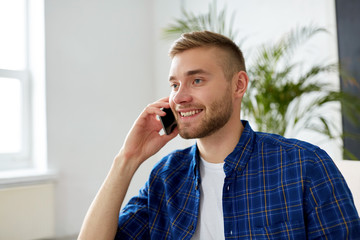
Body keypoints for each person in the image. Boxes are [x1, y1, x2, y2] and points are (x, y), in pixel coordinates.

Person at [78, 31, 360, 239]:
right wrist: (127, 159)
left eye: (196, 80)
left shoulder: (304, 165)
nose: (180, 97)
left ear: (238, 85)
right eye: (175, 84)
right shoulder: (165, 178)